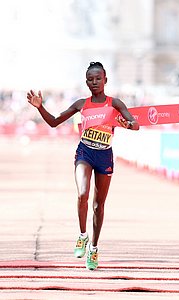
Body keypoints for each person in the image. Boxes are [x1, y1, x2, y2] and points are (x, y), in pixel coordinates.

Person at [27, 62, 140, 270]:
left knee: (98, 206)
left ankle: (94, 248)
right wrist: (40, 107)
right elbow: (54, 122)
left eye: (98, 78)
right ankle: (82, 236)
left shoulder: (115, 103)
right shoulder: (81, 104)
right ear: (86, 82)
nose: (94, 82)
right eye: (90, 79)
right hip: (85, 152)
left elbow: (136, 125)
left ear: (105, 80)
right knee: (82, 194)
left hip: (105, 155)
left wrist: (128, 124)